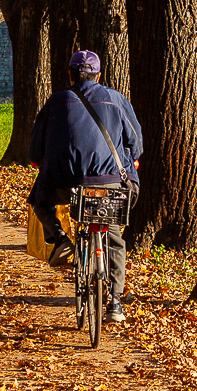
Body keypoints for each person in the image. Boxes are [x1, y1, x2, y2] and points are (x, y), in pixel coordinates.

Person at [28, 48, 143, 321]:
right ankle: (115, 302)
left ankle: (61, 239)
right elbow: (135, 145)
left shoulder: (56, 102)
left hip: (64, 182)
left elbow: (35, 150)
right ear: (99, 75)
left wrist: (42, 161)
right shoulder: (116, 100)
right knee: (114, 236)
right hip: (111, 182)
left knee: (40, 200)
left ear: (70, 76)